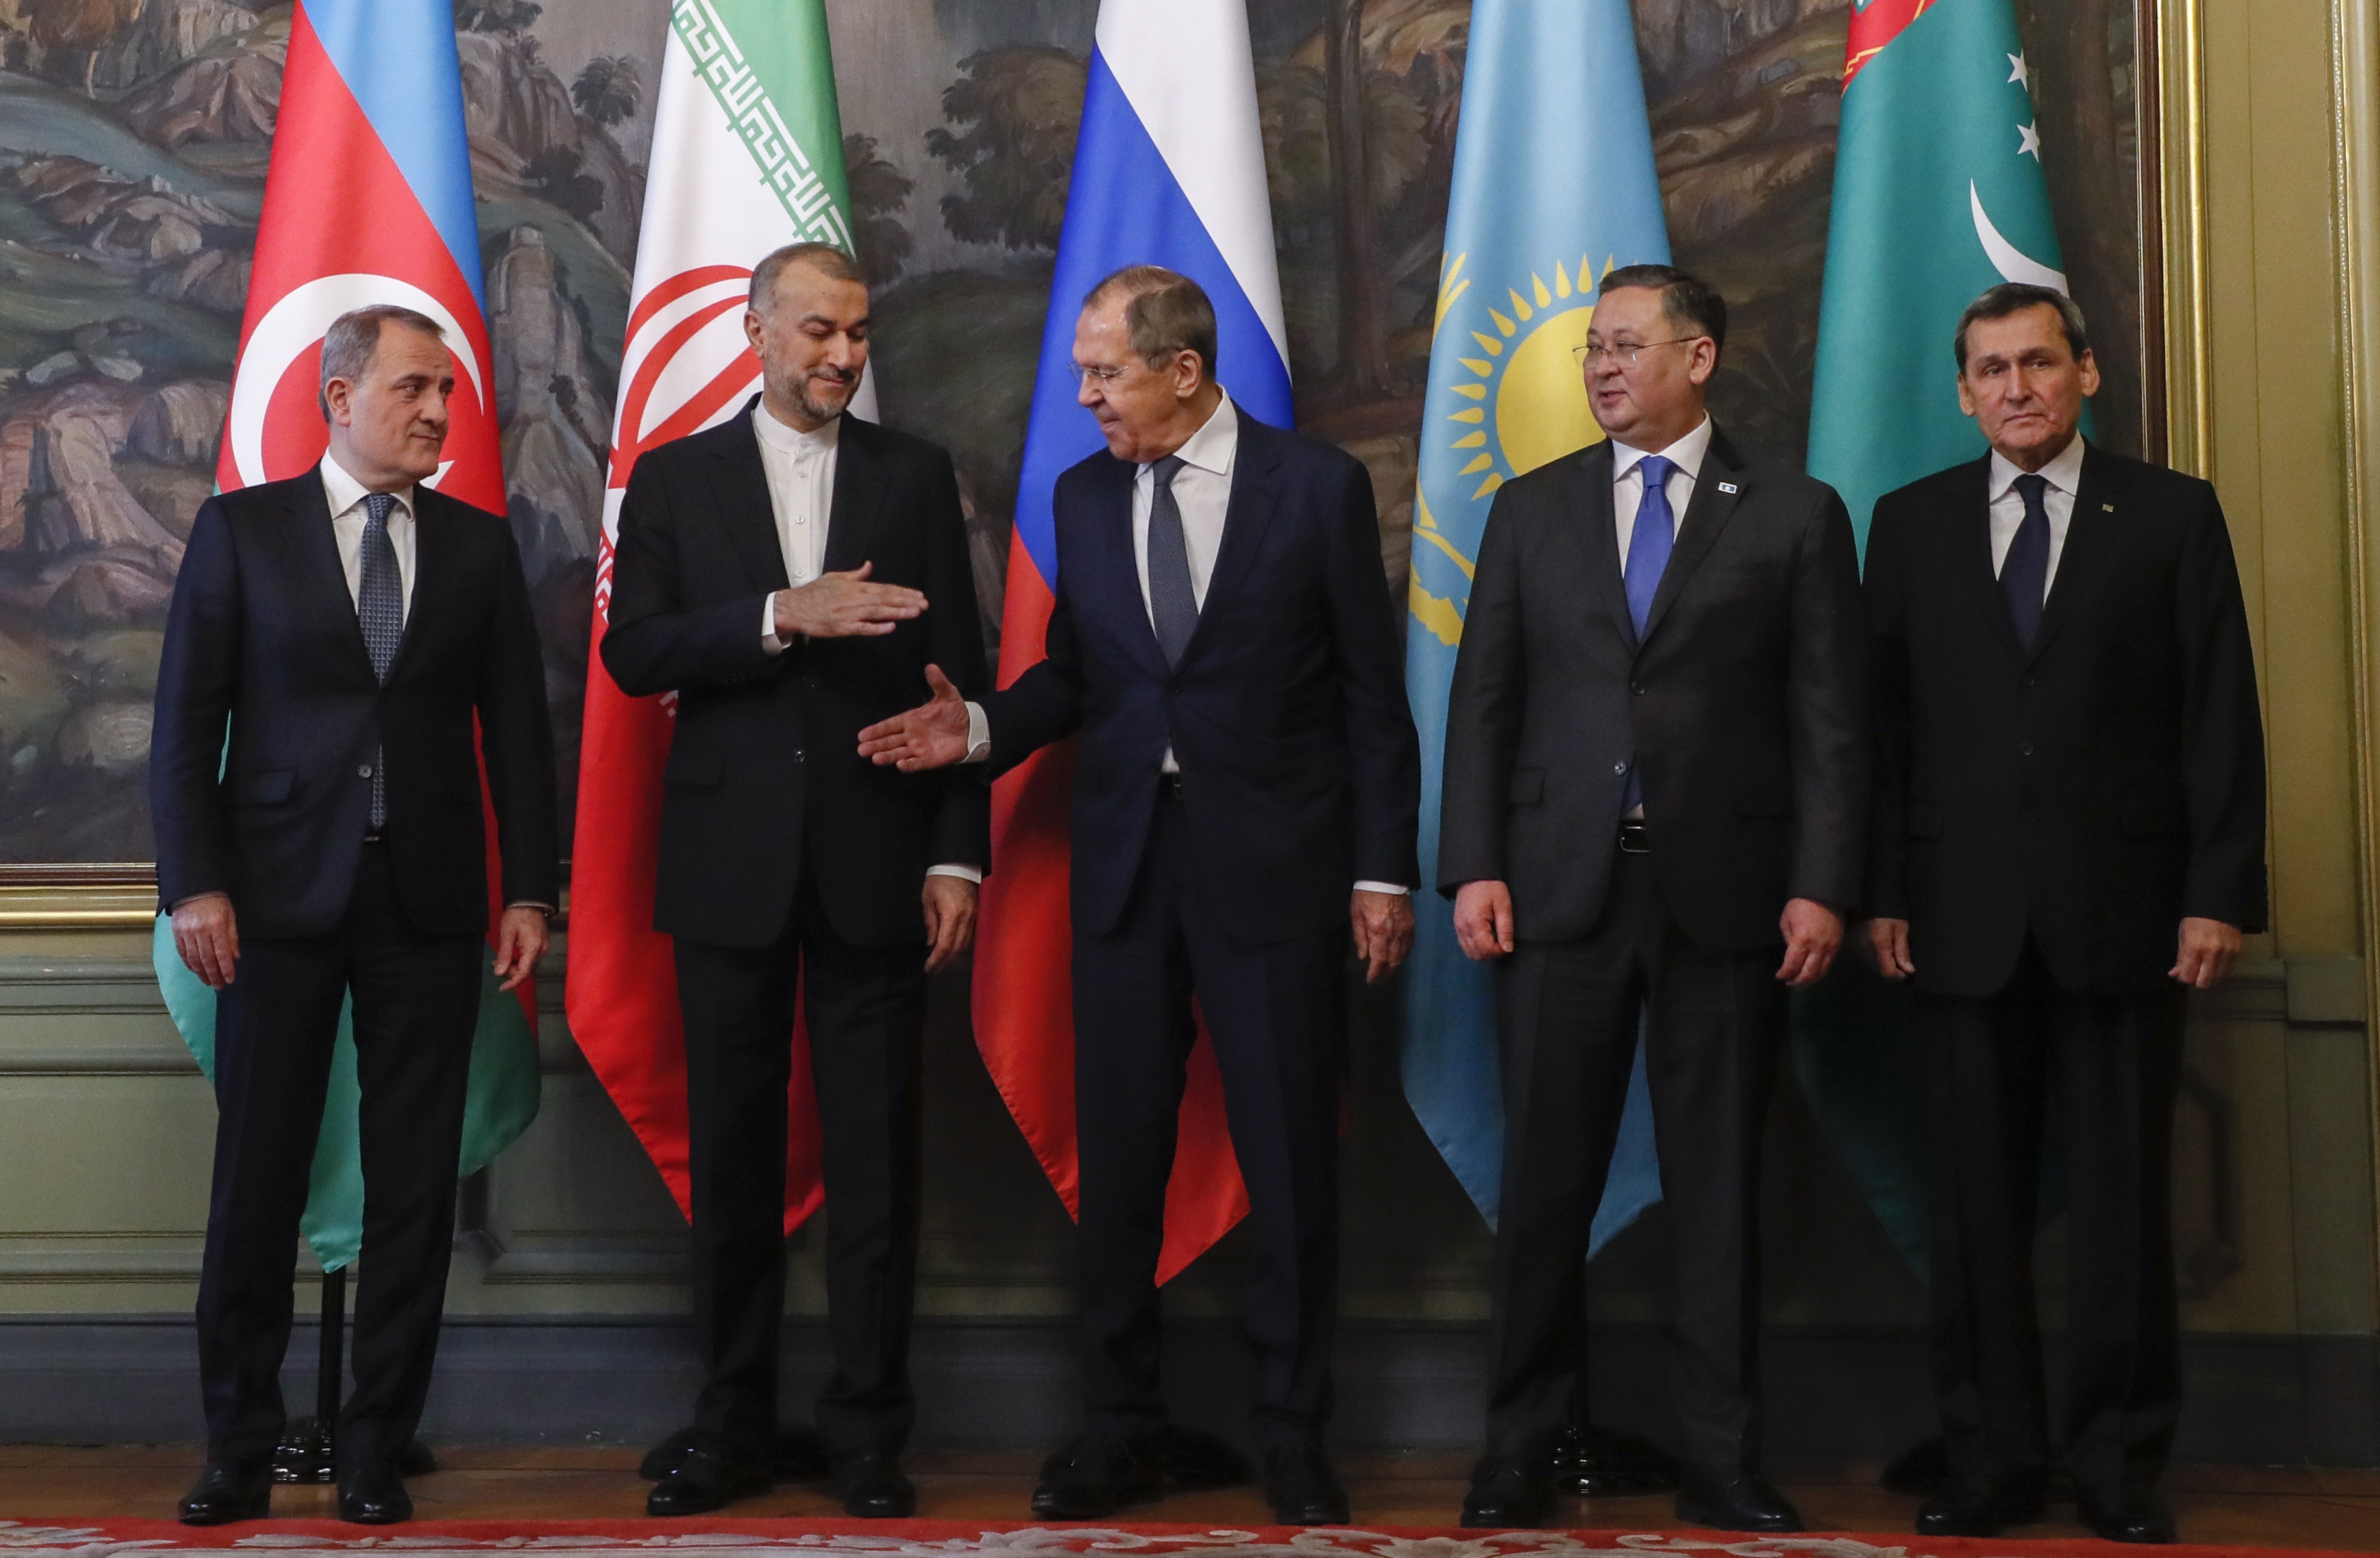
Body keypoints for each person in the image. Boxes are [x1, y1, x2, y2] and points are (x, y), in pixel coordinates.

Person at [857, 265, 1421, 1525]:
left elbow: (1370, 704)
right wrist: (983, 729)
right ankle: (1114, 1429)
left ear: (1182, 370)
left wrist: (1382, 872)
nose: (1086, 396)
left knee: (1288, 1159)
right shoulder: (1082, 494)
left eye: (1104, 373)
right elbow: (1080, 674)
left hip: (1276, 872)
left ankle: (1293, 1433)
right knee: (1118, 1166)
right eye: (1083, 375)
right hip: (1124, 874)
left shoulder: (1315, 489)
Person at [1436, 265, 1868, 1533]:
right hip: (1557, 898)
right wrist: (1474, 865)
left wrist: (1822, 887)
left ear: (1699, 358)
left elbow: (1830, 728)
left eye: (1625, 346)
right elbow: (1485, 704)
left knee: (1721, 1198)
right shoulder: (1532, 510)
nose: (1601, 367)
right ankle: (1512, 1450)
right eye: (1591, 349)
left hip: (1728, 903)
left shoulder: (1792, 514)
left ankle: (1722, 1459)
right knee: (1544, 1195)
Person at [1863, 283, 2266, 1544]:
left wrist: (2218, 895)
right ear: (1963, 391)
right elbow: (1879, 734)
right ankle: (1989, 1458)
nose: (2015, 389)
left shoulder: (2169, 514)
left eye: (2038, 363)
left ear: (2085, 373)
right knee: (1973, 1214)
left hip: (2126, 916)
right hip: (1954, 920)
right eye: (1990, 370)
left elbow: (2219, 721)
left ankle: (2115, 1462)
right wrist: (1878, 891)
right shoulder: (1911, 524)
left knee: (2120, 1208)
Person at [600, 242, 988, 1520]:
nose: (842, 355)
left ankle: (871, 1432)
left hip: (880, 863)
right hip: (729, 871)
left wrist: (951, 851)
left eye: (859, 333)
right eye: (818, 330)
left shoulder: (914, 475)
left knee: (878, 1158)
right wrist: (779, 613)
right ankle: (730, 1424)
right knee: (734, 1161)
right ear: (757, 333)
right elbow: (635, 649)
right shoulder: (676, 477)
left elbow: (959, 683)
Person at [152, 305, 559, 1526]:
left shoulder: (479, 550)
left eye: (448, 394)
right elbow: (181, 729)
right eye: (416, 389)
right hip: (270, 902)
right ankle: (237, 1446)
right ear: (339, 398)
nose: (440, 413)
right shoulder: (242, 532)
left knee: (414, 1187)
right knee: (258, 1178)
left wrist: (530, 884)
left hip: (429, 904)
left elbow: (521, 742)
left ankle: (377, 1445)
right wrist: (195, 885)